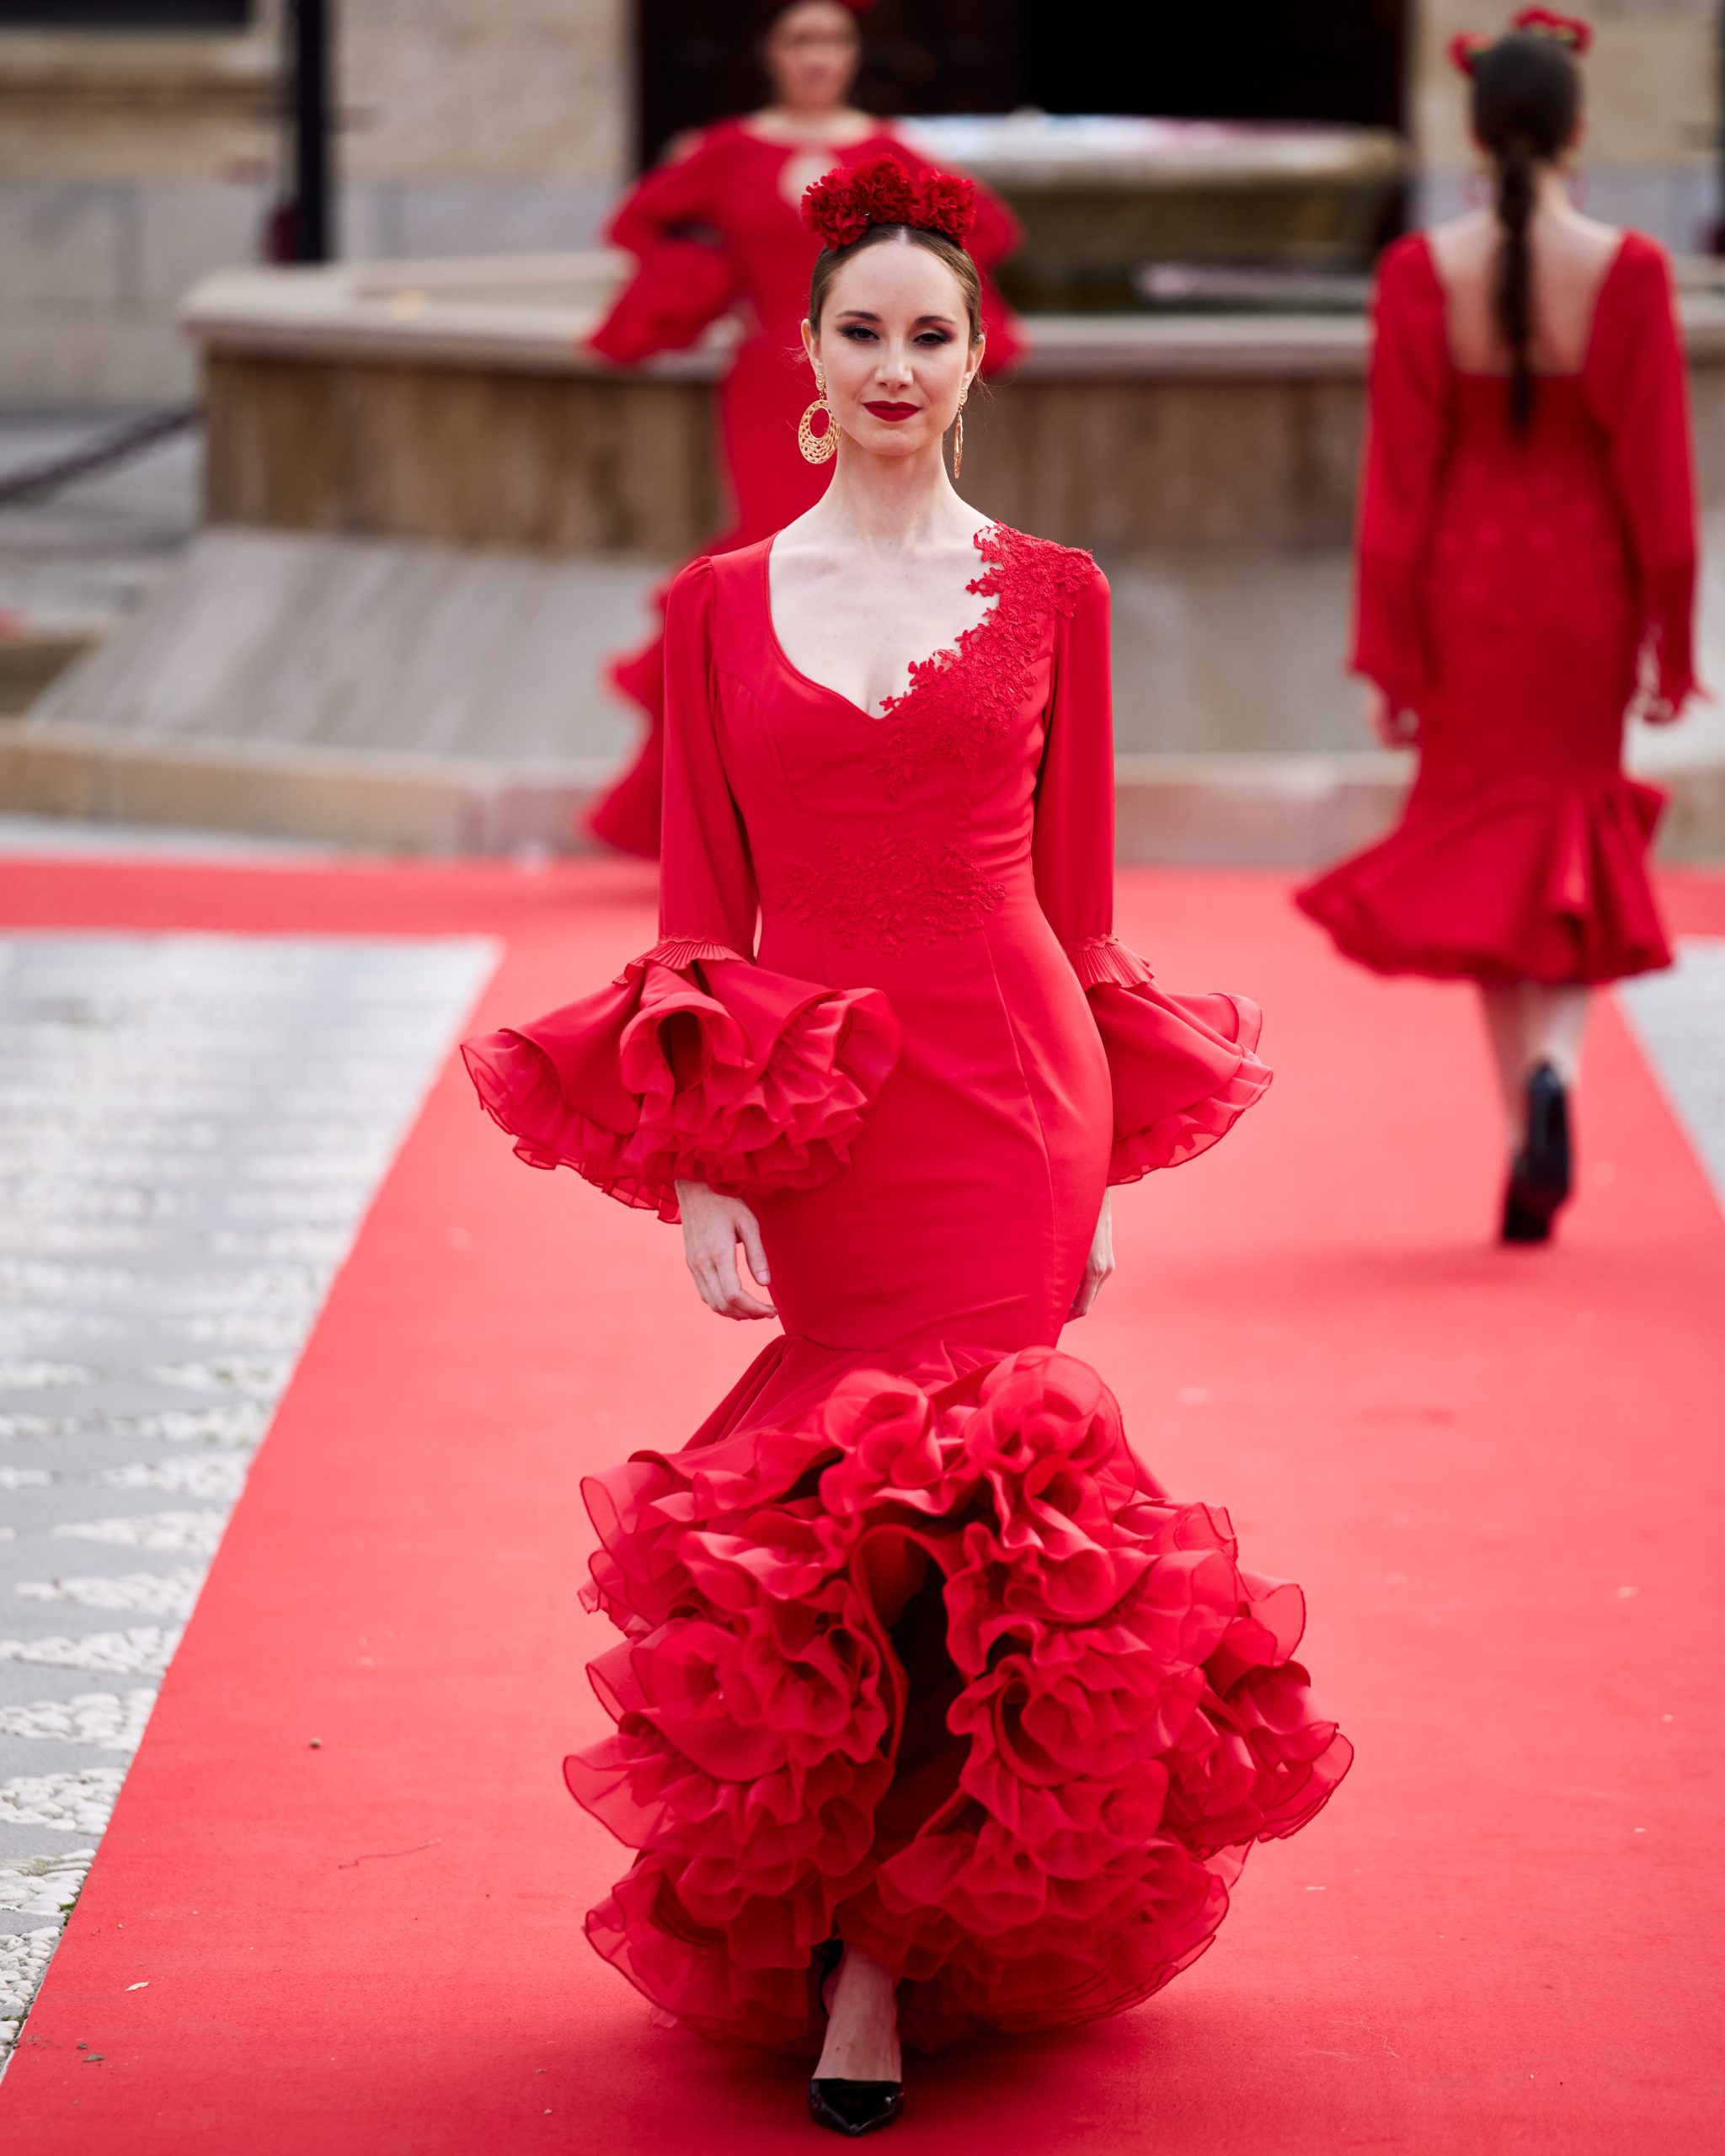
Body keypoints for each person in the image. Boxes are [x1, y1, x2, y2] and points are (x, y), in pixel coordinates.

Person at [466, 156, 1348, 2137]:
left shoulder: (1054, 593)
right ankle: (858, 1901)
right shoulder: (713, 605)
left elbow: (1086, 906)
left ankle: (875, 1950)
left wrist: (1107, 1158)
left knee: (987, 1508)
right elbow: (694, 913)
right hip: (819, 1106)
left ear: (972, 364)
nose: (891, 361)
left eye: (925, 334)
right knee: (826, 1510)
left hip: (1020, 1093)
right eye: (858, 328)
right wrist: (698, 1159)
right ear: (805, 349)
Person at [1296, 8, 1701, 1244]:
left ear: (1473, 132)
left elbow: (1396, 489)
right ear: (1577, 130)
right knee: (1572, 840)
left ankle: (1518, 1110)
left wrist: (1389, 652)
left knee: (1481, 848)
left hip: (1465, 592)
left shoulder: (1422, 272)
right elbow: (1663, 493)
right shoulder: (1627, 270)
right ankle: (1559, 1077)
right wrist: (1672, 646)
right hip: (1586, 589)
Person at [582, 0, 1023, 859]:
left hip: (870, 387)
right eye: (800, 40)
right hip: (766, 385)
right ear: (771, 53)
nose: (817, 57)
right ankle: (731, 809)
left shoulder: (885, 151)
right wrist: (698, 278)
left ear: (854, 54)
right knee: (768, 570)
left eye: (832, 40)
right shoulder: (724, 151)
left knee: (875, 568)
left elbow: (988, 231)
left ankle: (864, 802)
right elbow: (635, 223)